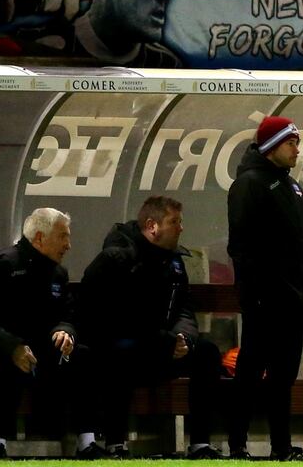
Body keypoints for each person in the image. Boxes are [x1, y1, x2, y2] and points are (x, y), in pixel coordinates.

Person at [77, 196, 224, 459]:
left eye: (181, 221)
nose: (181, 228)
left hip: (164, 347)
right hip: (124, 348)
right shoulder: (117, 258)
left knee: (207, 353)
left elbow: (183, 307)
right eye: (174, 222)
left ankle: (200, 444)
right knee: (116, 354)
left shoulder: (175, 262)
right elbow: (111, 317)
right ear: (152, 226)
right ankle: (115, 444)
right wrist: (165, 340)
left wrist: (184, 338)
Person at [0, 208, 106, 459]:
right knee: (12, 361)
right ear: (39, 238)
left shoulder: (58, 274)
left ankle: (86, 442)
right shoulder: (0, 264)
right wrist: (12, 346)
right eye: (63, 237)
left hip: (39, 352)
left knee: (82, 356)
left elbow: (68, 315)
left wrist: (65, 332)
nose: (68, 245)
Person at [227, 116, 303, 461]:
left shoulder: (292, 187)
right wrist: (259, 291)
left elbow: (298, 246)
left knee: (284, 376)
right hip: (265, 300)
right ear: (271, 146)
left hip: (293, 300)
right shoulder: (249, 184)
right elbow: (242, 246)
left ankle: (282, 446)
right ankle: (238, 444)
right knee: (250, 371)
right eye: (290, 142)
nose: (297, 149)